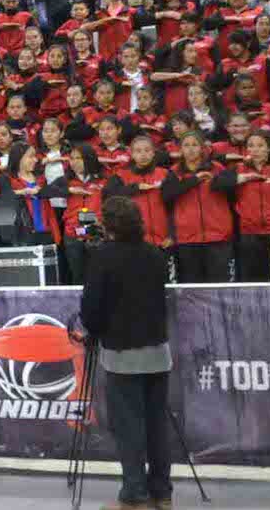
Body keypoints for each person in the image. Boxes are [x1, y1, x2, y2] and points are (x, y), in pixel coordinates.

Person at [80, 195, 174, 510]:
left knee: (129, 427)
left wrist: (93, 330)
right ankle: (162, 492)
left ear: (108, 226)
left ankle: (135, 495)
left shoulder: (103, 258)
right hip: (158, 351)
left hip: (123, 354)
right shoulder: (155, 255)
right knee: (157, 424)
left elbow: (91, 311)